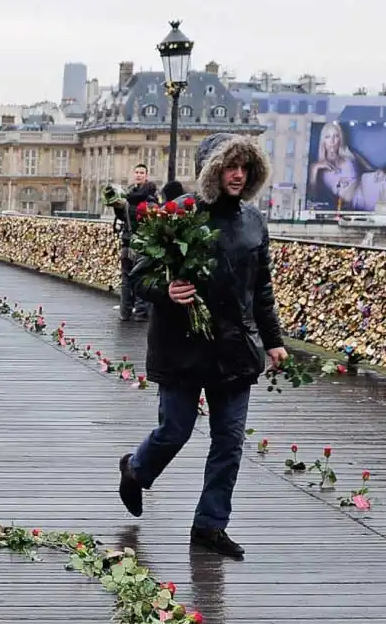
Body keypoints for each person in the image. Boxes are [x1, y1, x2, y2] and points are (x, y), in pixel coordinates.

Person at [117, 133, 288, 559]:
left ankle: (210, 525)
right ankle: (135, 470)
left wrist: (274, 340)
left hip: (235, 349)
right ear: (212, 171)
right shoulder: (181, 215)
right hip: (182, 347)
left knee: (228, 440)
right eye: (230, 166)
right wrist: (166, 290)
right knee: (175, 429)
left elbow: (260, 288)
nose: (238, 174)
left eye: (245, 167)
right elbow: (138, 276)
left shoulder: (254, 221)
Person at [112, 164, 158, 321]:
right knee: (140, 277)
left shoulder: (128, 197)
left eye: (141, 173)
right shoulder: (150, 197)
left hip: (128, 239)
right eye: (137, 172)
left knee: (127, 278)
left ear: (146, 175)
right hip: (141, 241)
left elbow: (123, 218)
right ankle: (140, 312)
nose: (138, 175)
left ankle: (125, 312)